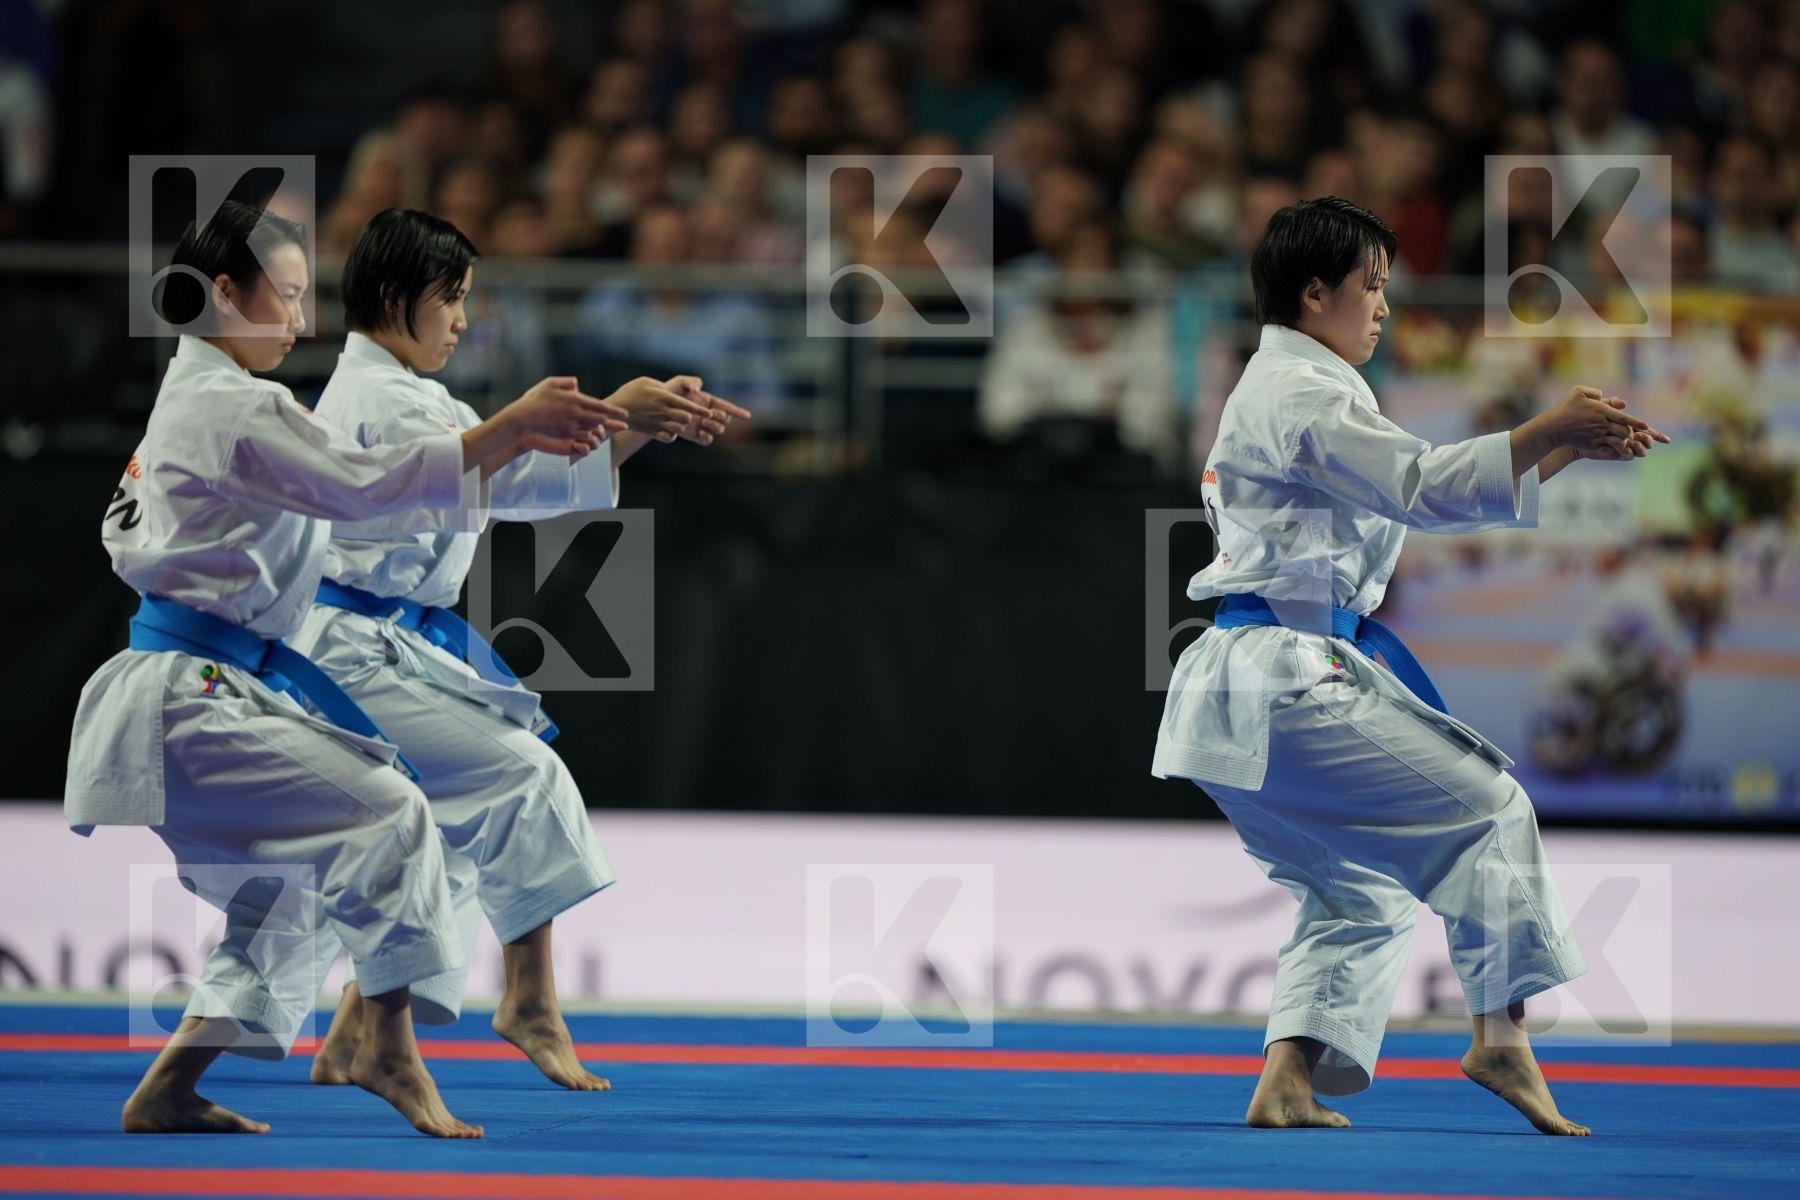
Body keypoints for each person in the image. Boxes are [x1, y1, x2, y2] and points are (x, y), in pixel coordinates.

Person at [64, 202, 626, 1136]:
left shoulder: (195, 396)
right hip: (194, 694)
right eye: (281, 298)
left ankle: (169, 1087)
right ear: (222, 294)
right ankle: (384, 1046)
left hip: (194, 687)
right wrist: (517, 423)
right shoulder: (236, 406)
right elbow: (366, 487)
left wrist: (537, 433)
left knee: (283, 896)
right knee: (394, 805)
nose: (296, 321)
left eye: (299, 298)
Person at [1152, 197, 1670, 1136]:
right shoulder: (1301, 394)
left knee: (1358, 888)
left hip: (1246, 685)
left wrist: (1555, 448)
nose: (1384, 307)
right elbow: (1423, 486)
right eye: (1372, 287)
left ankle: (1287, 1081)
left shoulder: (1293, 391)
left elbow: (1414, 502)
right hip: (1281, 680)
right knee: (1492, 806)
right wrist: (1547, 424)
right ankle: (1501, 1038)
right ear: (1316, 295)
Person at [281, 209, 744, 1090]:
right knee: (522, 776)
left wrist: (634, 421)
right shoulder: (376, 397)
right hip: (349, 647)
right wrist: (596, 416)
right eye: (451, 299)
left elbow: (523, 481)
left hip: (388, 641)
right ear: (393, 297)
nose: (463, 319)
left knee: (449, 829)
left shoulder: (413, 393)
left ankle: (354, 1030)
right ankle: (528, 1000)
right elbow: (464, 467)